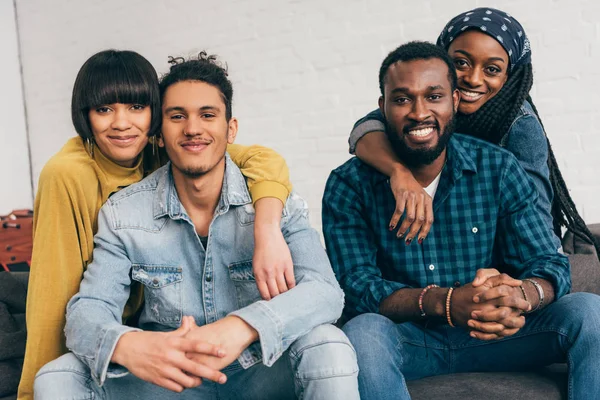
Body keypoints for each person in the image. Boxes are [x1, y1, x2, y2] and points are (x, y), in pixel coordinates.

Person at [33, 52, 359, 399]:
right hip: (168, 378)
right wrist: (129, 345)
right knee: (58, 376)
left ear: (230, 129)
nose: (192, 129)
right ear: (159, 133)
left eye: (207, 115)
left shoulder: (271, 201)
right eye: (177, 116)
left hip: (258, 369)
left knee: (328, 344)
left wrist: (242, 326)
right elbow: (87, 310)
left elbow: (325, 291)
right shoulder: (122, 213)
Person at [322, 41, 600, 400]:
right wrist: (447, 302)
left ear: (454, 100)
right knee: (363, 333)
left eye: (434, 96)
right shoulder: (349, 184)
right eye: (403, 99)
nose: (419, 112)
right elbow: (358, 288)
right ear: (382, 108)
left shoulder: (497, 167)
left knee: (589, 311)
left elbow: (549, 263)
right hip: (412, 341)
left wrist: (520, 296)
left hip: (500, 336)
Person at [348, 7, 599, 256]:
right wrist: (399, 173)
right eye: (461, 63)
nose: (473, 79)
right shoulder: (428, 104)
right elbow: (365, 129)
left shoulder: (520, 126)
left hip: (503, 252)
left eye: (492, 69)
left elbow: (535, 213)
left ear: (509, 76)